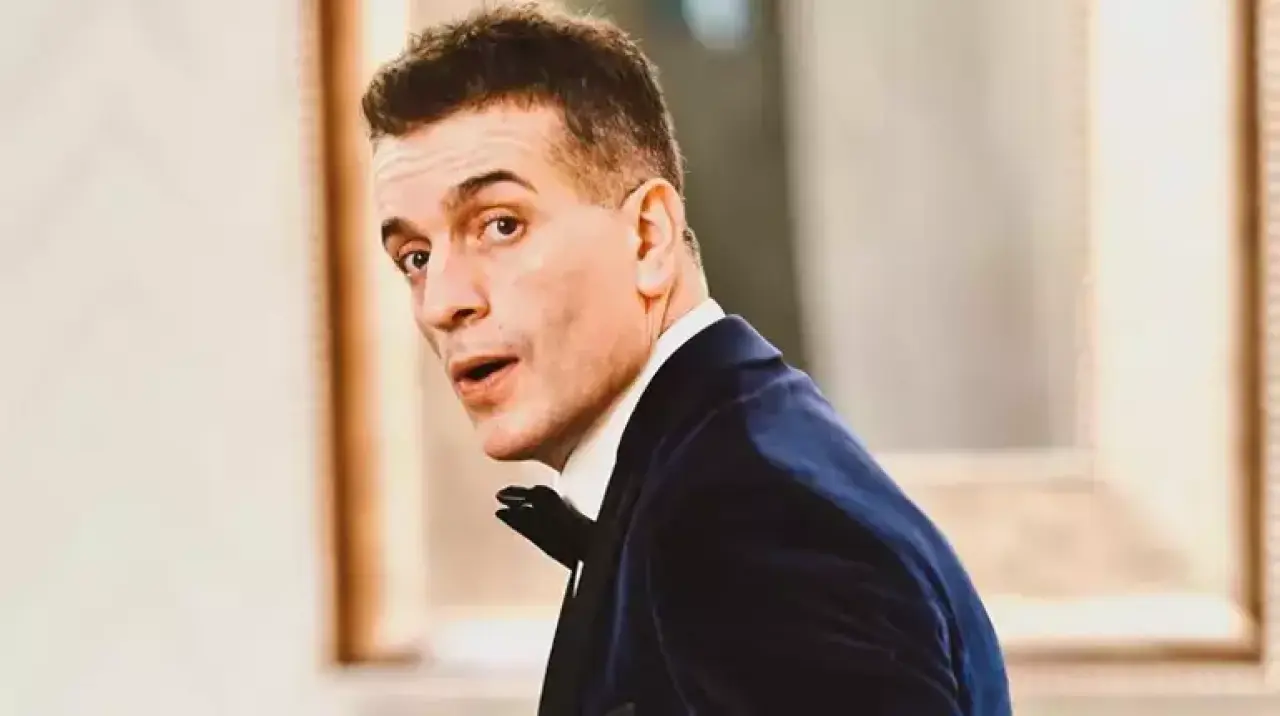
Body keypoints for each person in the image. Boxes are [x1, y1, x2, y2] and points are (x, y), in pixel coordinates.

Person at [363, 3, 1011, 714]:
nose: (442, 302)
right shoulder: (720, 465)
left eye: (500, 225)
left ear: (649, 237)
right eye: (415, 257)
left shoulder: (744, 518)